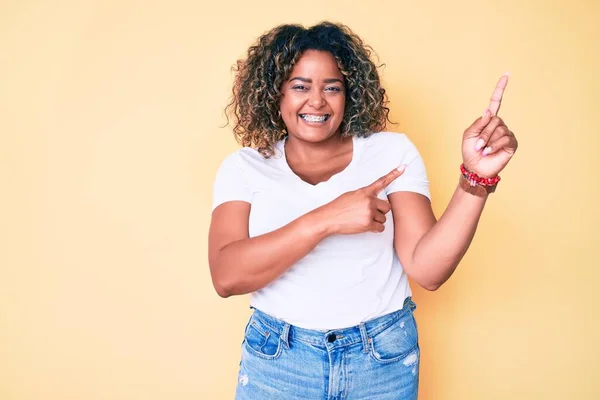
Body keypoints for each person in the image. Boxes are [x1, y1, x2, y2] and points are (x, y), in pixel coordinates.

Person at [208, 21, 518, 400]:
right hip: (279, 361)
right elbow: (226, 276)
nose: (317, 100)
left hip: (381, 360)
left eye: (332, 87)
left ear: (351, 94)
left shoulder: (391, 153)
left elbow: (428, 270)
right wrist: (328, 218)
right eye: (300, 86)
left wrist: (476, 180)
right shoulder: (244, 167)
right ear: (276, 94)